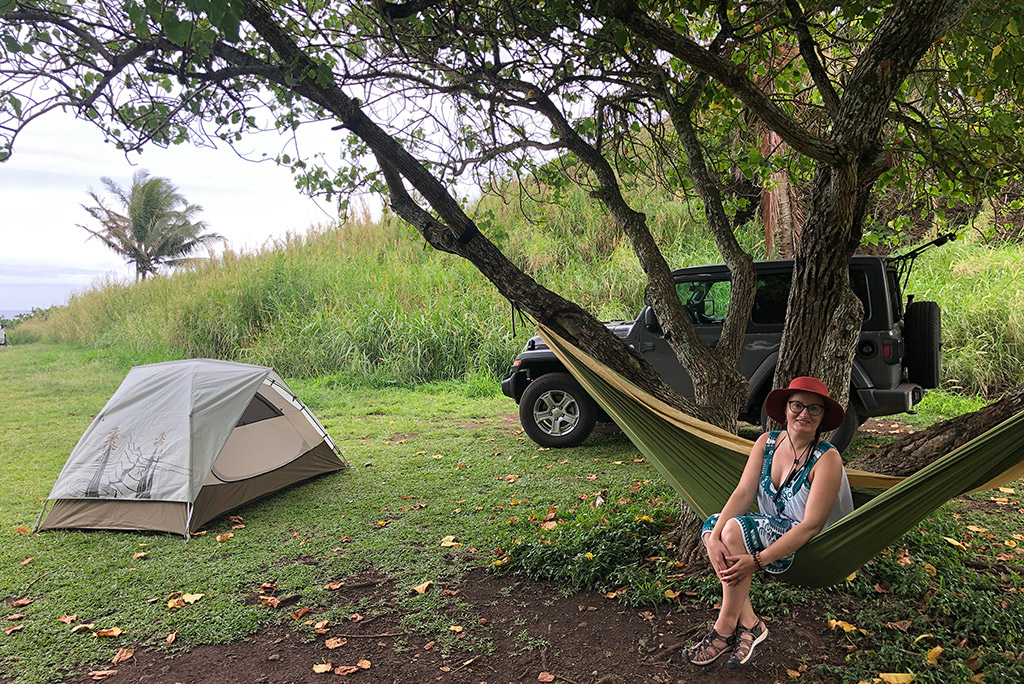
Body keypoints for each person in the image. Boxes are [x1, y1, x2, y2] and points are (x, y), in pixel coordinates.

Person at [683, 376, 854, 669]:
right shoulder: (767, 442)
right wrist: (712, 540)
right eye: (797, 405)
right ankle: (750, 623)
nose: (804, 414)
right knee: (713, 525)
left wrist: (757, 561)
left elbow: (812, 526)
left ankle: (724, 629)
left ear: (823, 417)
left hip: (806, 543)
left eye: (814, 409)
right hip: (768, 528)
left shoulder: (827, 459)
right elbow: (743, 493)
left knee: (734, 529)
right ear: (785, 409)